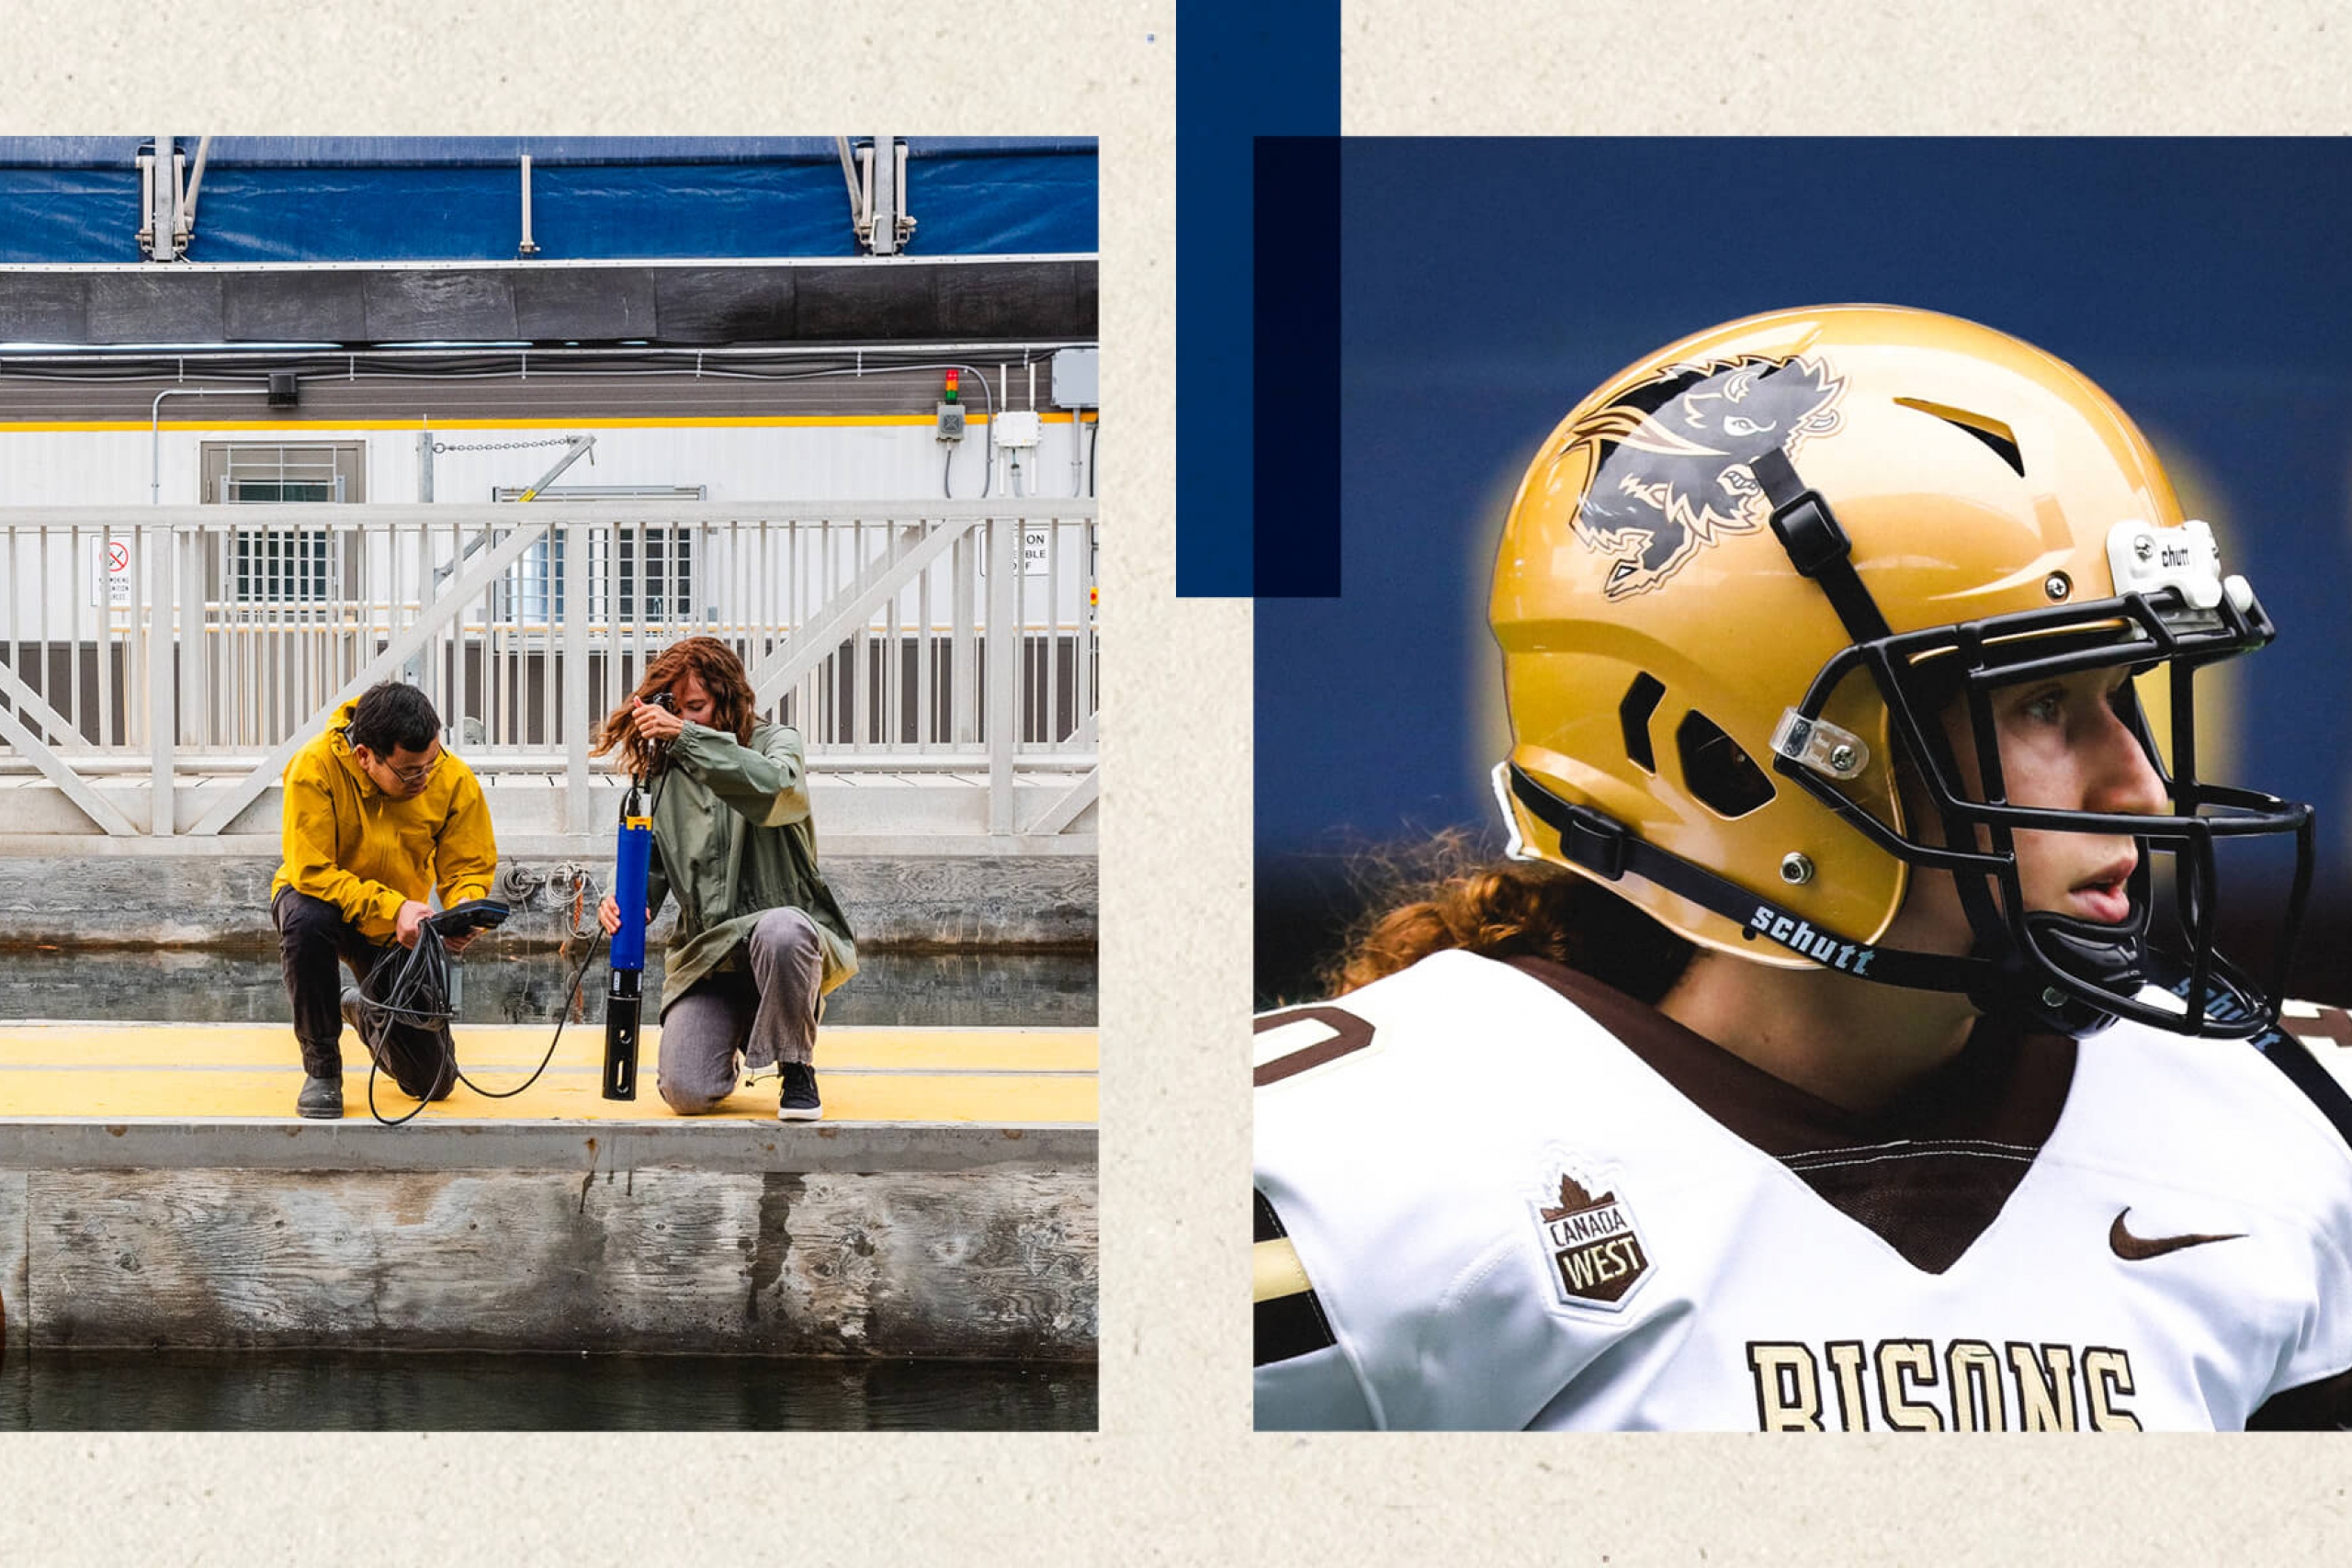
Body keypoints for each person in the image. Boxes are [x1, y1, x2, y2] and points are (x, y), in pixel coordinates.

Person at [1252, 305, 2352, 1431]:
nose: (2140, 790)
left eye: (2120, 697)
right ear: (1726, 749)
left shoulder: (2299, 1126)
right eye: (2039, 705)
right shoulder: (1349, 1170)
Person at [592, 636, 857, 1121]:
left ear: (729, 698)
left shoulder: (777, 743)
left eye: (696, 707)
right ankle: (739, 1035)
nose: (684, 720)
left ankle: (796, 1065)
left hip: (781, 947)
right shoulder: (662, 773)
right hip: (711, 956)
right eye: (675, 708)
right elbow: (647, 867)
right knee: (686, 1093)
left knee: (784, 930)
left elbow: (775, 789)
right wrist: (616, 898)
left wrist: (688, 739)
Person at [271, 680, 498, 1119]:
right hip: (324, 901)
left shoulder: (451, 777)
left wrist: (463, 909)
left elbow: (467, 865)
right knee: (305, 920)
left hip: (399, 925)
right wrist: (392, 907)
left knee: (433, 1082)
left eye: (432, 761)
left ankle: (361, 1008)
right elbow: (312, 870)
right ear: (365, 757)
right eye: (411, 771)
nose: (425, 777)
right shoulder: (313, 768)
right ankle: (322, 1069)